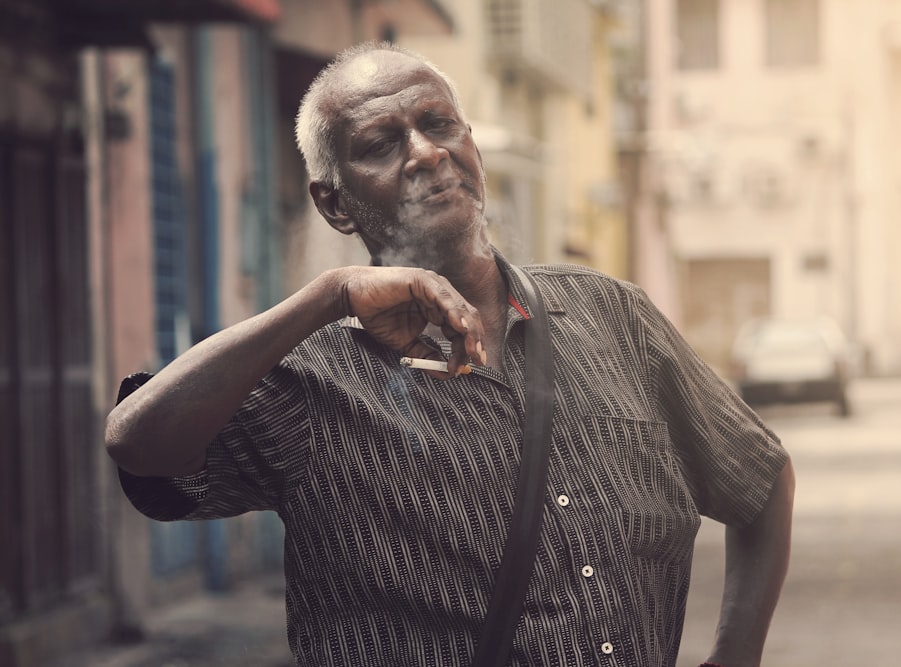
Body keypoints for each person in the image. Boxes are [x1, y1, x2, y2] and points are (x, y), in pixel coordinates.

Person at [105, 41, 794, 667]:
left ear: (474, 151)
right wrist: (330, 293)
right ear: (335, 204)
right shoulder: (312, 383)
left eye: (438, 125)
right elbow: (137, 443)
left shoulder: (615, 318)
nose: (426, 153)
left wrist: (735, 655)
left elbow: (760, 479)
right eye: (381, 142)